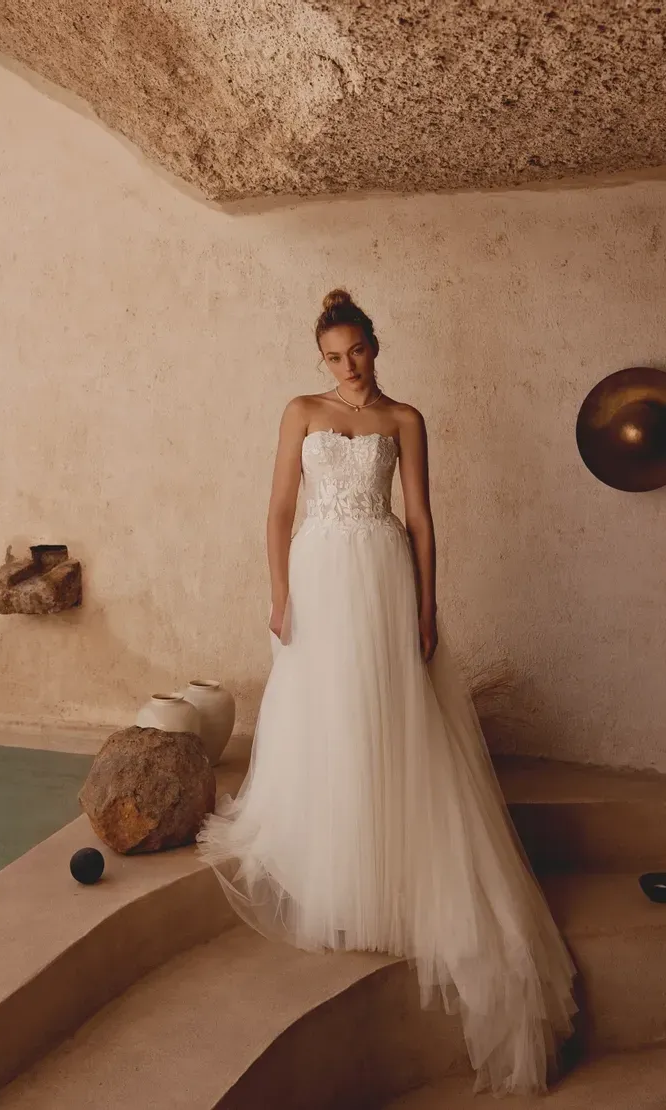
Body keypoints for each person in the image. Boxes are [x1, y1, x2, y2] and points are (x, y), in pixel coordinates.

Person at [196, 288, 578, 1097]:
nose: (348, 367)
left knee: (383, 719)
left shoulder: (405, 419)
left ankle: (388, 866)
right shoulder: (301, 411)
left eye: (358, 350)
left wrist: (428, 608)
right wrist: (279, 596)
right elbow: (277, 511)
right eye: (334, 357)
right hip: (318, 575)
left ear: (375, 343)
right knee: (327, 718)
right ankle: (335, 866)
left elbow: (423, 521)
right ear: (321, 359)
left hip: (381, 573)